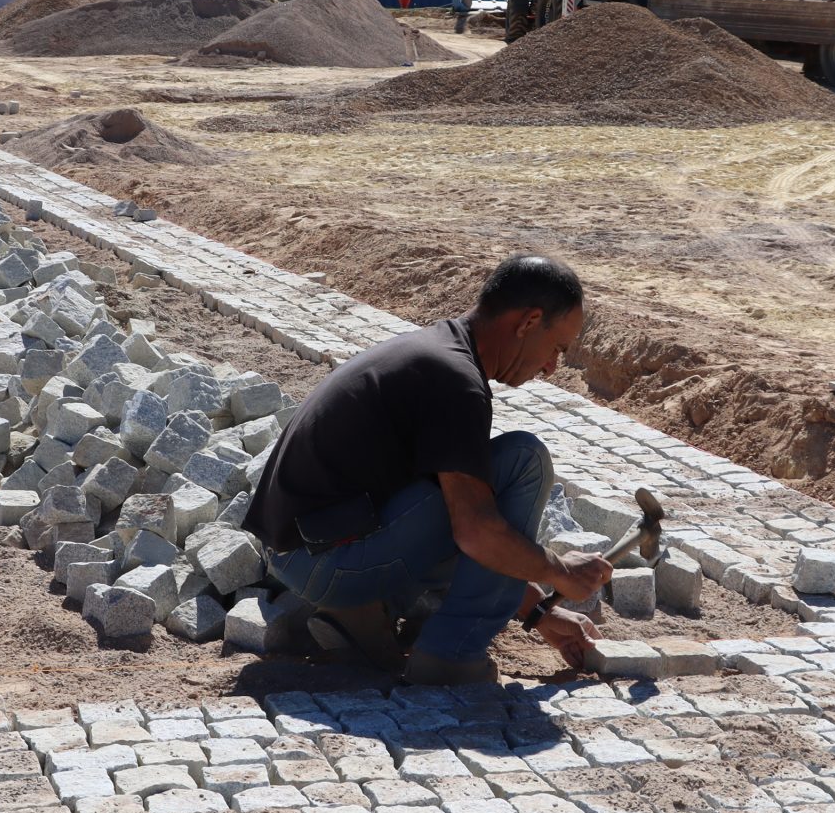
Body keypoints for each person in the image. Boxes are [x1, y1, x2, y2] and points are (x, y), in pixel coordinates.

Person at [246, 254, 613, 686]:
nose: (552, 367)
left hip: (301, 554)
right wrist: (557, 570)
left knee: (477, 496)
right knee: (521, 461)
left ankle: (360, 616)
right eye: (558, 348)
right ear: (529, 321)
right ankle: (450, 657)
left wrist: (536, 612)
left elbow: (447, 516)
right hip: (324, 562)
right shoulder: (455, 382)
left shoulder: (439, 351)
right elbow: (475, 531)